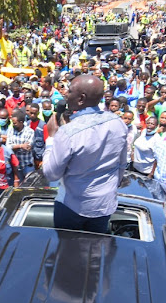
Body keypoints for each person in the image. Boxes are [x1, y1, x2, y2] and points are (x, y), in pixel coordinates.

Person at [43, 74, 128, 233]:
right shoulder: (118, 123)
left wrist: (51, 139)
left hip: (72, 207)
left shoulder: (68, 132)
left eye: (69, 91)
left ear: (81, 98)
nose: (66, 95)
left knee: (68, 252)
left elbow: (51, 174)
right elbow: (122, 165)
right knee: (96, 252)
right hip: (104, 205)